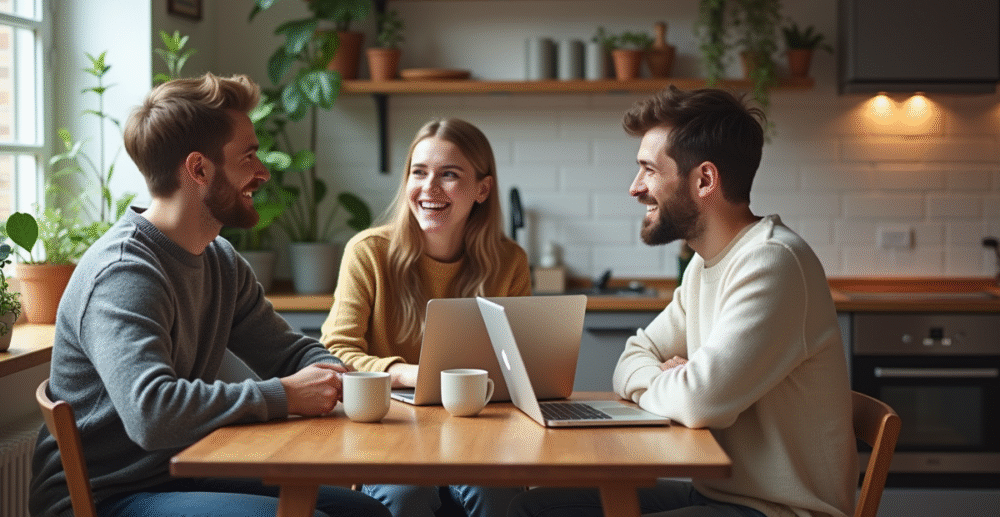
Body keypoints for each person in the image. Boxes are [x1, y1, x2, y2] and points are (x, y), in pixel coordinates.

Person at [29, 74, 390, 517]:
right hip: (105, 496)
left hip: (178, 468)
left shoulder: (218, 258)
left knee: (366, 512)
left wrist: (333, 373)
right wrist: (284, 394)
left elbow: (285, 350)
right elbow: (151, 413)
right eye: (249, 156)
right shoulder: (123, 273)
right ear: (199, 169)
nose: (264, 172)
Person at [509, 86, 858, 517]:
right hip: (716, 495)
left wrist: (685, 384)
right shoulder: (704, 264)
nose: (635, 188)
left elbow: (699, 402)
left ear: (704, 180)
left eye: (649, 170)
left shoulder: (772, 262)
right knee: (530, 509)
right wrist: (672, 379)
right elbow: (633, 357)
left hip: (778, 510)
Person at [320, 118, 530, 517]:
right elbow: (335, 352)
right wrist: (406, 373)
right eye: (419, 173)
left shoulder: (509, 261)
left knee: (498, 497)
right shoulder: (368, 252)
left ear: (482, 189)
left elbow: (518, 365)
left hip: (477, 434)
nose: (429, 189)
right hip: (388, 431)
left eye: (449, 175)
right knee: (406, 496)